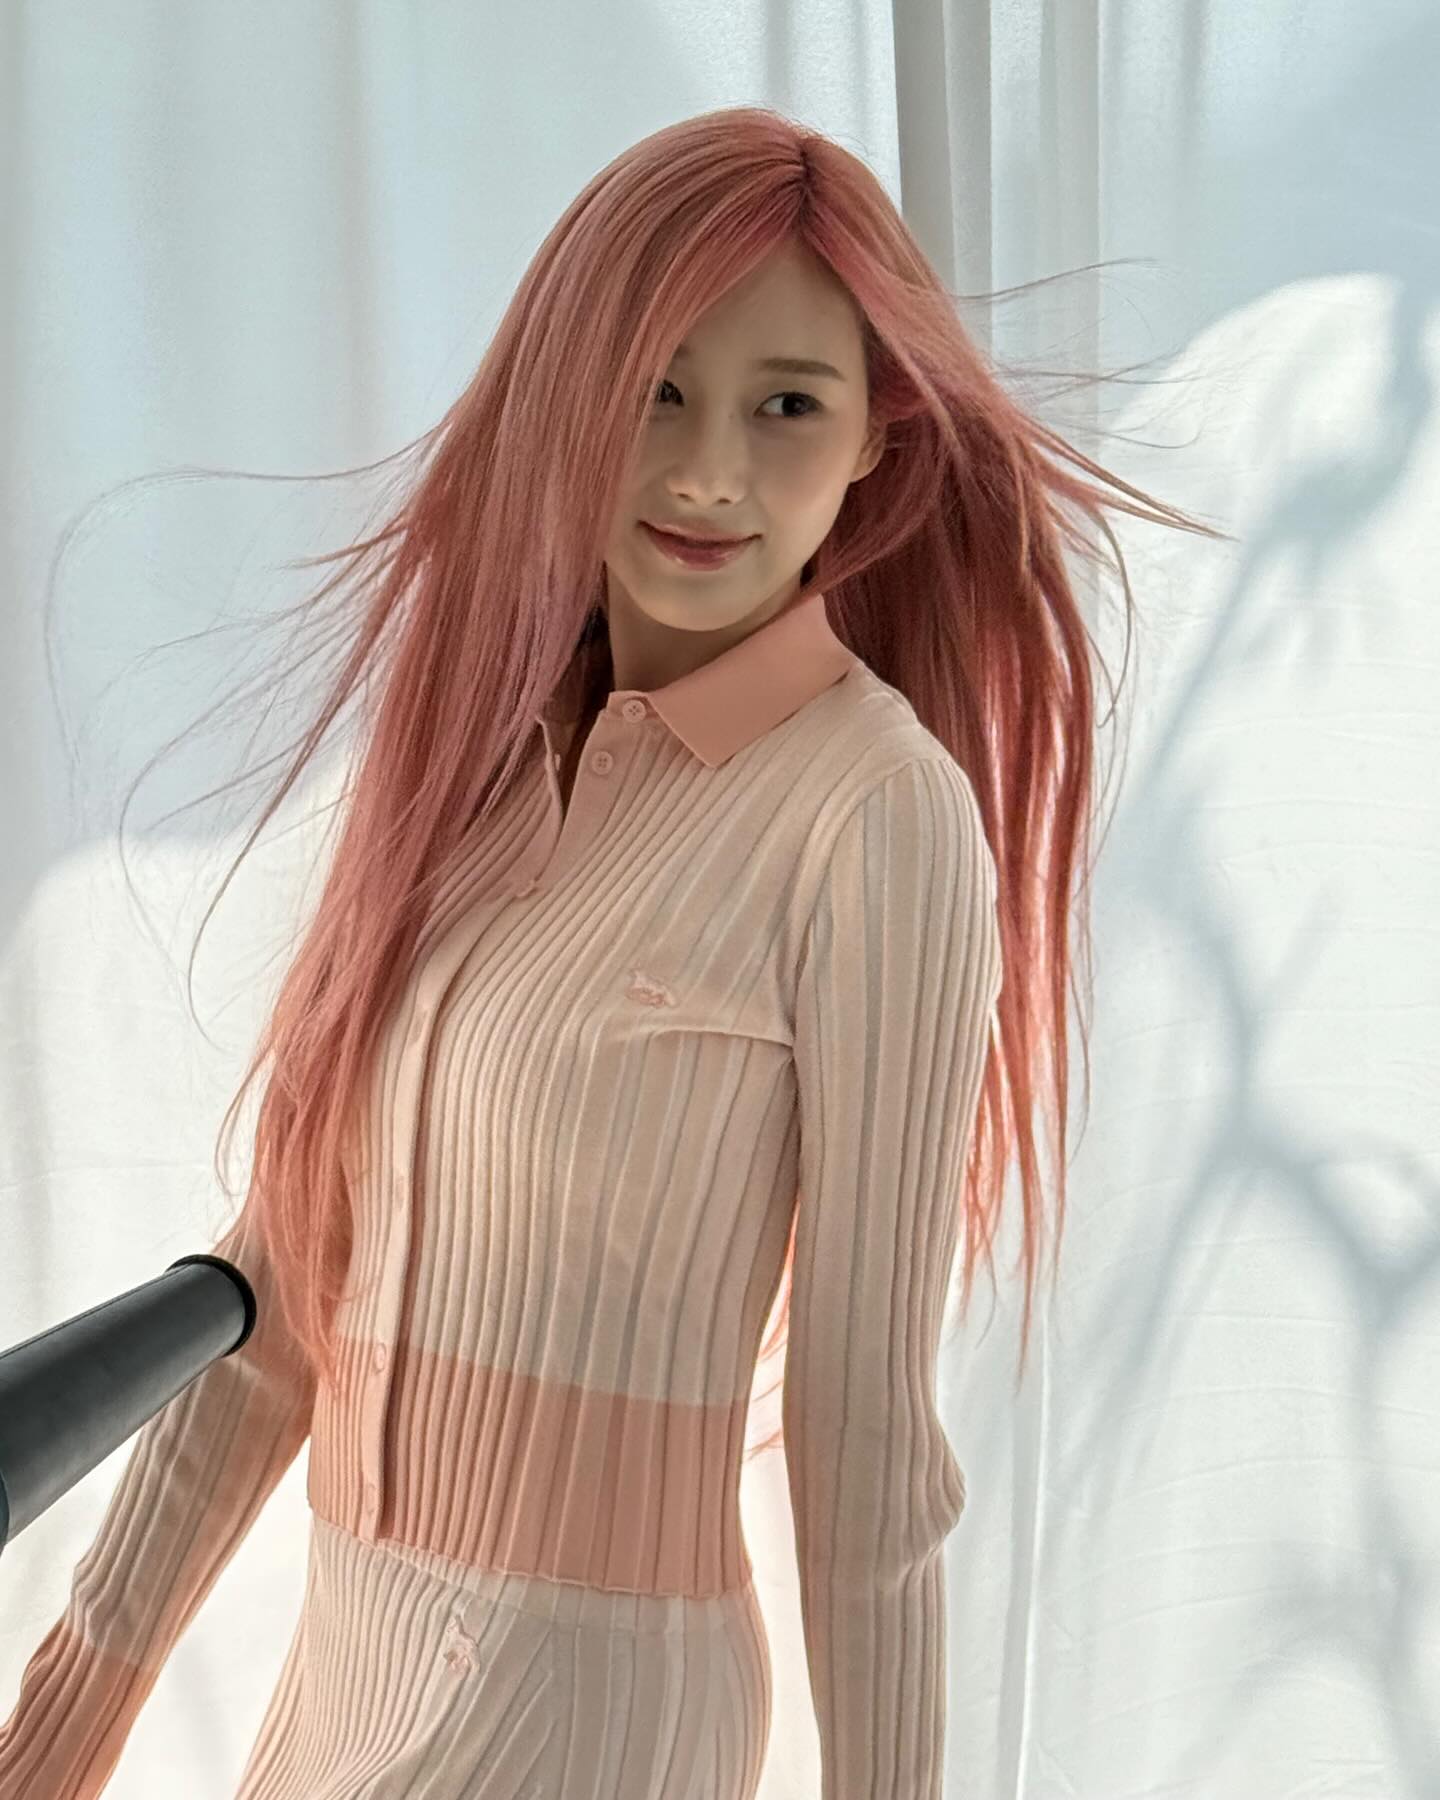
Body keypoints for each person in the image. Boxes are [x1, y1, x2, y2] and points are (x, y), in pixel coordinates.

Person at [0, 104, 1228, 1800]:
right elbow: (278, 1301)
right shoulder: (477, 763)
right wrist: (52, 1736)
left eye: (785, 404)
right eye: (655, 388)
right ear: (564, 395)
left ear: (877, 435)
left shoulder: (874, 813)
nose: (709, 471)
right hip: (349, 1679)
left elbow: (869, 1448)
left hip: (587, 1712)